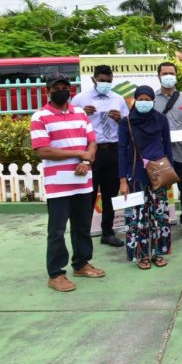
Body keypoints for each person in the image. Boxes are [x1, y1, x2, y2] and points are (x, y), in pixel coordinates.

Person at [31, 73, 105, 292]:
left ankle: (81, 263)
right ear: (48, 91)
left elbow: (92, 142)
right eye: (56, 87)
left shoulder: (80, 113)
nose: (61, 90)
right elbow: (43, 150)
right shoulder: (40, 117)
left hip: (82, 180)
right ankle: (56, 274)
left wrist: (85, 158)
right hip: (58, 184)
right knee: (57, 230)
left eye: (65, 86)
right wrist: (79, 153)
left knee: (82, 226)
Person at [71, 65, 129, 247]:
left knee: (110, 194)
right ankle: (83, 233)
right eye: (102, 80)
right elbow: (70, 124)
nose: (105, 84)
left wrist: (120, 119)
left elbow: (128, 125)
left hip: (113, 149)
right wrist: (81, 115)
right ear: (94, 79)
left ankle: (107, 232)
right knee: (88, 194)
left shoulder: (118, 99)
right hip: (91, 152)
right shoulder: (80, 100)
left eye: (109, 81)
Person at [117, 86, 173, 270]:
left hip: (158, 175)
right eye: (140, 99)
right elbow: (122, 151)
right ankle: (142, 255)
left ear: (153, 101)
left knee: (159, 216)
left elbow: (168, 148)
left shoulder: (161, 120)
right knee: (137, 218)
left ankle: (158, 253)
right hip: (136, 176)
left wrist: (169, 175)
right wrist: (123, 180)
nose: (144, 103)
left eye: (147, 99)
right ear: (134, 100)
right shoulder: (127, 123)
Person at [153, 62, 182, 237]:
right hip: (160, 153)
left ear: (176, 75)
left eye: (171, 73)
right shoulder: (151, 98)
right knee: (160, 189)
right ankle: (160, 222)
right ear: (158, 75)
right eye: (164, 73)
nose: (168, 76)